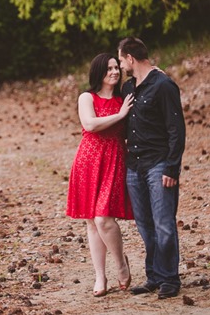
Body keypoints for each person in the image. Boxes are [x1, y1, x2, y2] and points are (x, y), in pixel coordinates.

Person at [117, 37, 186, 299]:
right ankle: (154, 276)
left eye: (121, 59)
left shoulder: (164, 86)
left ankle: (170, 278)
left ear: (130, 58)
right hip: (134, 168)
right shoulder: (128, 88)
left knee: (164, 224)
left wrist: (172, 168)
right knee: (145, 226)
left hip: (159, 166)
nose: (121, 64)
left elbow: (176, 131)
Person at [66, 53, 134, 297]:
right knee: (91, 222)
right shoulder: (87, 97)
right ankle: (100, 276)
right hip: (88, 160)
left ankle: (121, 265)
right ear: (98, 73)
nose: (114, 72)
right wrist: (120, 115)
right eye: (109, 69)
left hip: (115, 158)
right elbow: (90, 125)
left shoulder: (123, 97)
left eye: (116, 67)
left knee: (103, 218)